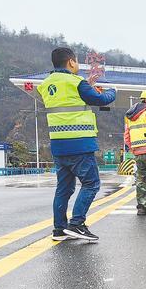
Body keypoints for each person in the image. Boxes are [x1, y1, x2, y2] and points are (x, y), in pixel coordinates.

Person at [37, 47, 116, 242]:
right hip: (80, 143)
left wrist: (85, 85)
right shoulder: (76, 82)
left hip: (58, 145)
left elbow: (68, 98)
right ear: (71, 62)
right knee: (91, 183)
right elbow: (98, 99)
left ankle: (59, 229)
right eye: (77, 62)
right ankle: (77, 224)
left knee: (63, 188)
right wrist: (113, 92)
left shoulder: (46, 85)